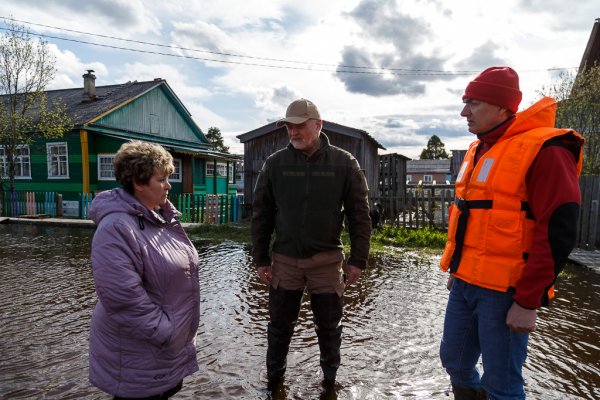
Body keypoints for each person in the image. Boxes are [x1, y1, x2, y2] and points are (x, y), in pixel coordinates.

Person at [439, 67, 583, 399]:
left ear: (503, 107)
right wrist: (458, 268)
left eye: (473, 102)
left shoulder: (547, 150)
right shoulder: (480, 149)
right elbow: (471, 216)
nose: (464, 112)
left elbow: (558, 231)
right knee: (455, 361)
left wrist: (528, 302)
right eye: (465, 103)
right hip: (465, 283)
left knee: (501, 384)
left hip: (505, 292)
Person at [251, 98, 371, 389]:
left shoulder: (344, 163)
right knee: (279, 327)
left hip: (327, 262)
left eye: (299, 126)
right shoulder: (275, 163)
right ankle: (273, 383)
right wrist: (260, 259)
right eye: (288, 127)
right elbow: (261, 214)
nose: (293, 133)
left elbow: (360, 215)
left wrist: (358, 260)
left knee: (329, 328)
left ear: (318, 124)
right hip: (286, 261)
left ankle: (330, 382)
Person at [88, 140, 200, 399]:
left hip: (163, 352)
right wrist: (167, 332)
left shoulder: (159, 218)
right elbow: (123, 298)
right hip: (138, 353)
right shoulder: (116, 229)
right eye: (161, 179)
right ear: (138, 183)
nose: (168, 185)